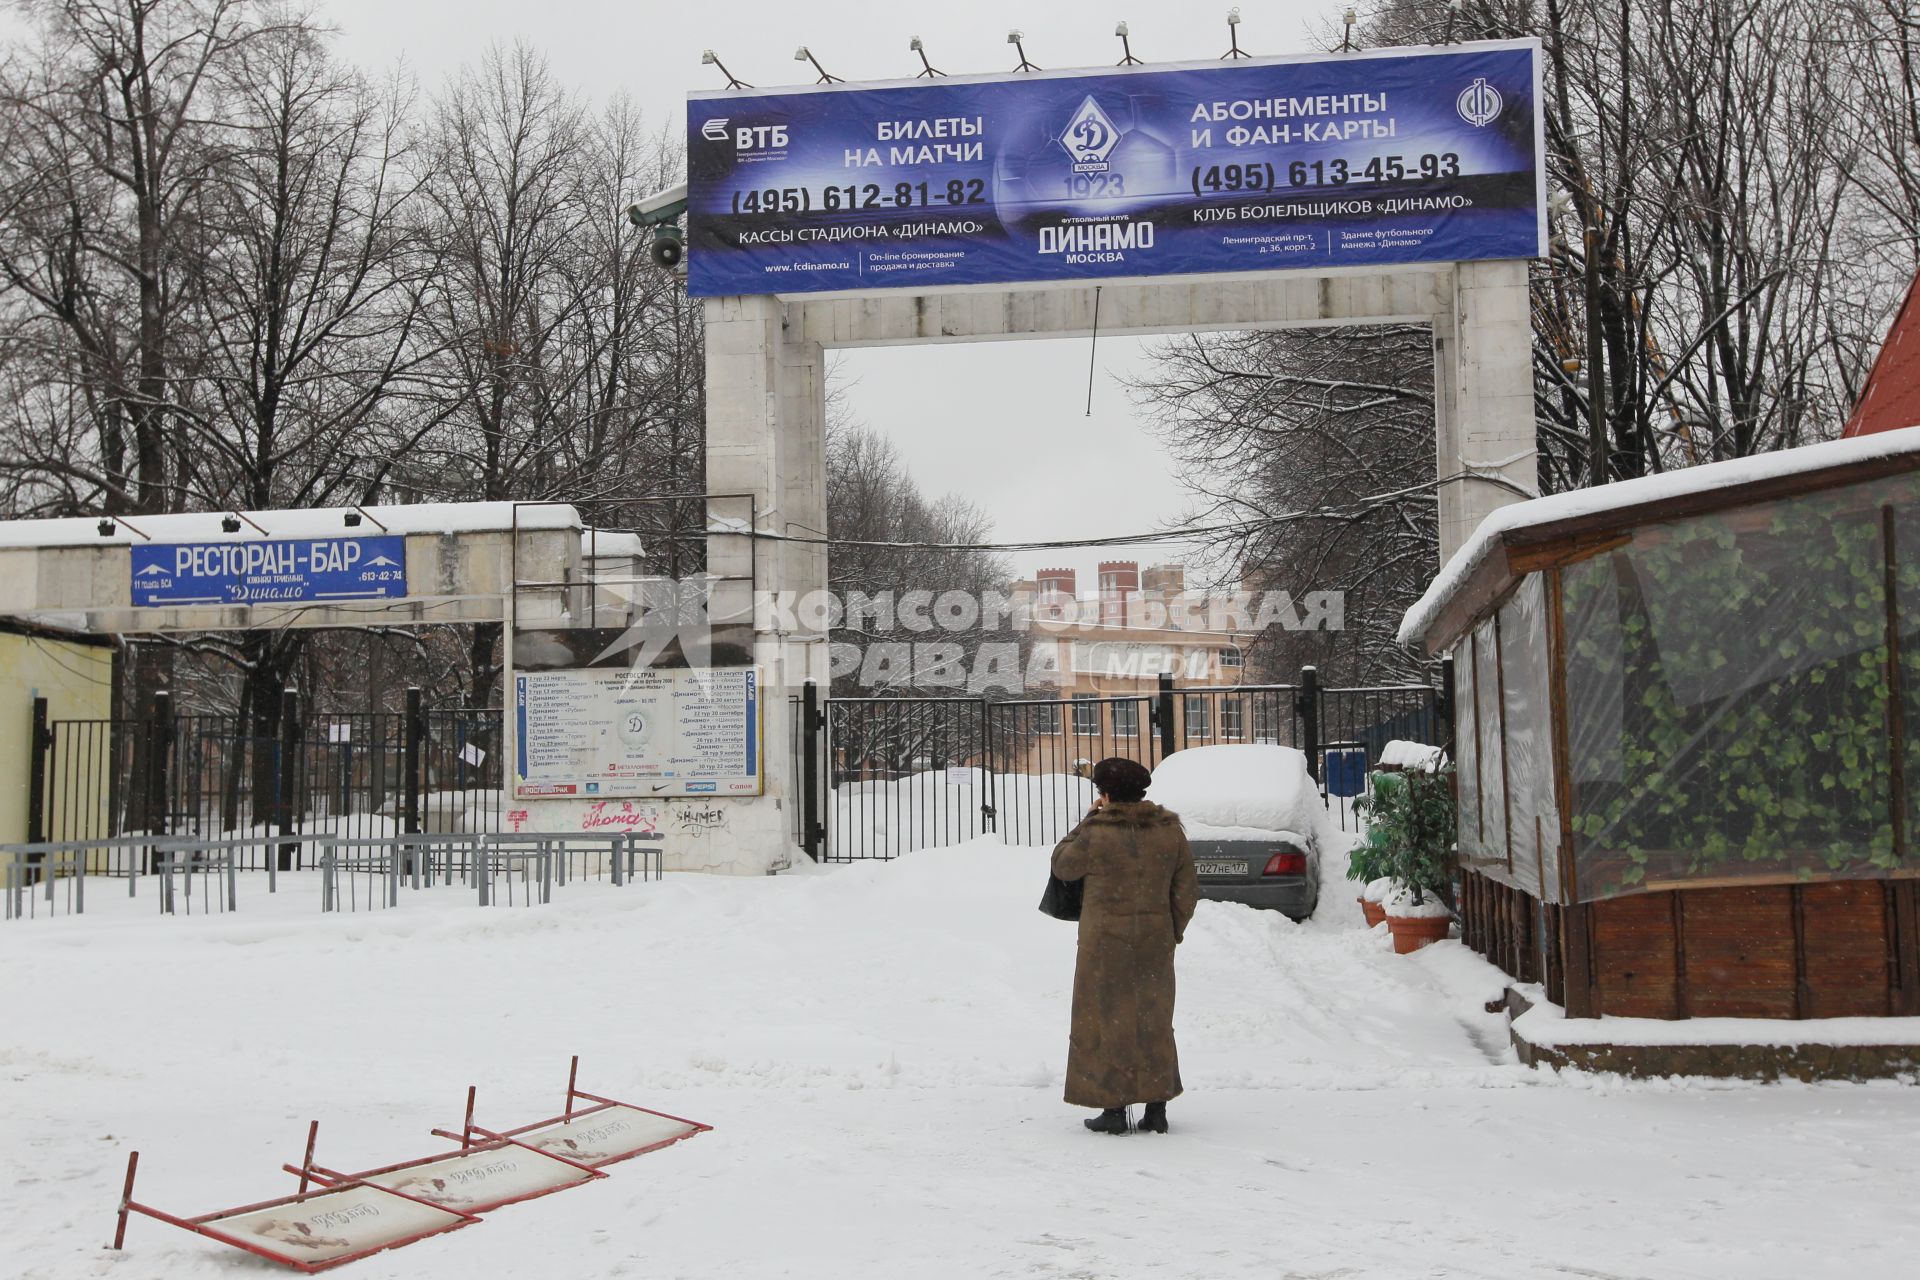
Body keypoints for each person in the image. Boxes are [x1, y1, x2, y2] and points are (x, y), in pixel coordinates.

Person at [1049, 756, 1198, 1134]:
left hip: (1103, 946)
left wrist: (1086, 820)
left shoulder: (1096, 832)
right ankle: (1156, 1108)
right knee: (1153, 1020)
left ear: (1106, 793)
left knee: (1104, 1020)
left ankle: (1113, 1109)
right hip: (1154, 941)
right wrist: (1171, 932)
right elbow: (1186, 893)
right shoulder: (1170, 832)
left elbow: (1063, 866)